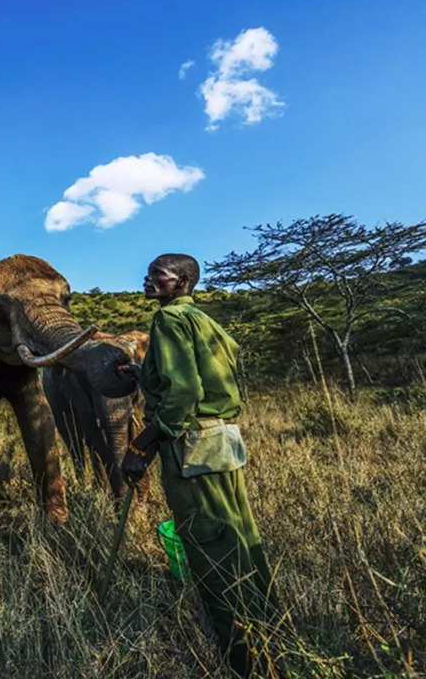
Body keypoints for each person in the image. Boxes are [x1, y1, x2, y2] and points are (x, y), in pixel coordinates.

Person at [121, 253, 282, 677]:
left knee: (210, 547)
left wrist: (142, 443)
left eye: (160, 274)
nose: (149, 279)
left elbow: (184, 391)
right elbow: (197, 380)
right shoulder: (208, 323)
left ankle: (244, 661)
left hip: (192, 445)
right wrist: (144, 374)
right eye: (149, 272)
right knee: (241, 540)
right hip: (224, 439)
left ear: (183, 281)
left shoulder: (169, 321)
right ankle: (274, 637)